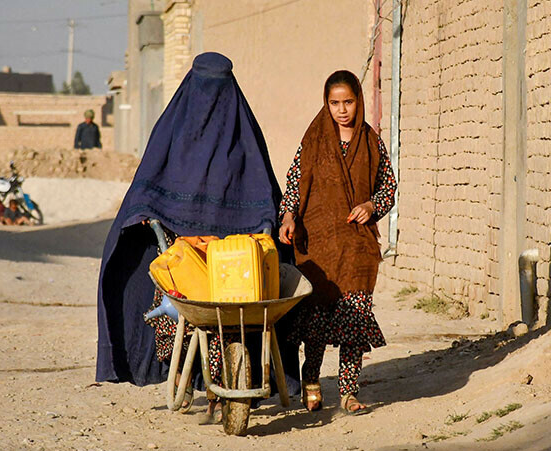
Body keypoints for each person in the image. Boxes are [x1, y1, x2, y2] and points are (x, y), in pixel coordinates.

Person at [96, 52, 300, 420]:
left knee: (239, 307)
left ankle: (233, 382)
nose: (212, 99)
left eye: (219, 87)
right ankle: (188, 378)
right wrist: (145, 214)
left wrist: (264, 220)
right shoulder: (175, 129)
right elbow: (150, 179)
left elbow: (262, 187)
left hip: (234, 261)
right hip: (186, 257)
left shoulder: (244, 133)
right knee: (176, 307)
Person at [278, 70, 397, 415]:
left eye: (348, 102)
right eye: (335, 103)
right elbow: (294, 182)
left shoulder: (372, 142)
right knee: (316, 319)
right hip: (316, 246)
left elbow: (387, 186)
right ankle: (312, 381)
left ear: (358, 100)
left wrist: (371, 205)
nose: (342, 110)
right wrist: (288, 216)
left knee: (355, 319)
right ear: (326, 104)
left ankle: (348, 391)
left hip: (357, 246)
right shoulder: (314, 139)